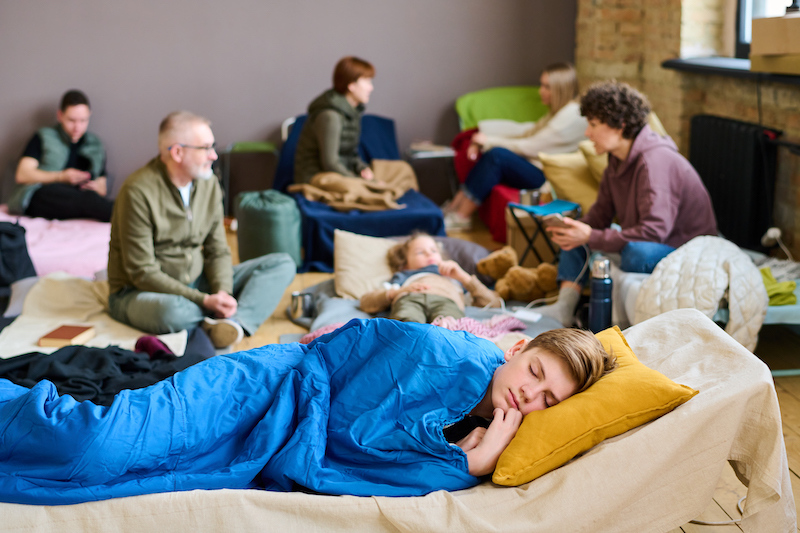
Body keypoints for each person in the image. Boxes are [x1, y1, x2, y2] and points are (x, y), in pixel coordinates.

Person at [0, 318, 617, 505]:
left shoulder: (488, 431)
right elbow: (354, 421)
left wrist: (476, 461)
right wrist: (465, 461)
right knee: (95, 443)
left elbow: (385, 473)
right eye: (535, 374)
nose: (529, 398)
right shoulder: (448, 353)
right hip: (268, 382)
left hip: (281, 430)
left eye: (547, 400)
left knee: (115, 469)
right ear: (519, 348)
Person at [106, 111, 296, 348]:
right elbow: (142, 273)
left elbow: (218, 249)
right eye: (205, 148)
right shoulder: (137, 191)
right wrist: (205, 300)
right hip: (141, 293)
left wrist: (223, 292)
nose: (214, 155)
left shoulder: (209, 184)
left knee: (282, 264)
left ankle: (235, 323)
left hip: (198, 283)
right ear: (177, 152)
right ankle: (213, 319)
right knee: (173, 313)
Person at [535, 81, 718, 326]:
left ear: (619, 126)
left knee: (634, 253)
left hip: (684, 249)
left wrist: (592, 236)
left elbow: (654, 232)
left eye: (593, 125)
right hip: (652, 240)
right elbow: (600, 215)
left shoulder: (654, 162)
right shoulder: (616, 160)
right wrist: (573, 229)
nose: (587, 133)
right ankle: (564, 307)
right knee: (577, 232)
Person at [444, 63, 588, 231]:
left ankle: (461, 216)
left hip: (549, 178)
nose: (541, 91)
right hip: (540, 168)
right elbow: (527, 132)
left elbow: (532, 146)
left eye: (547, 87)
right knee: (494, 154)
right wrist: (485, 137)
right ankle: (454, 208)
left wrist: (489, 142)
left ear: (561, 89)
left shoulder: (571, 115)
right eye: (542, 85)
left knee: (497, 156)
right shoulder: (557, 112)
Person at [9, 90, 114, 222]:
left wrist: (97, 186)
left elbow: (102, 188)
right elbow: (22, 174)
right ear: (60, 115)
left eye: (83, 121)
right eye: (71, 120)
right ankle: (129, 214)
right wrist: (61, 177)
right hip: (42, 195)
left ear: (89, 116)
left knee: (89, 199)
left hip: (78, 198)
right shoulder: (44, 136)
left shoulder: (95, 145)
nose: (77, 127)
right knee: (89, 201)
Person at [360, 232, 500, 322]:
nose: (429, 254)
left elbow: (494, 303)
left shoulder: (455, 279)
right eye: (420, 252)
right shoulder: (402, 277)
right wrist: (398, 292)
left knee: (450, 323)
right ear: (405, 264)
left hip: (447, 301)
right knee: (407, 322)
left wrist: (464, 277)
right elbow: (366, 302)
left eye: (433, 250)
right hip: (410, 298)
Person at [294, 56, 376, 184]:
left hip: (341, 173)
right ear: (351, 85)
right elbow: (330, 163)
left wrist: (362, 168)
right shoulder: (329, 117)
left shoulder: (353, 112)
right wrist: (360, 182)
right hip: (317, 177)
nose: (371, 88)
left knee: (401, 169)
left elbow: (350, 154)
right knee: (358, 188)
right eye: (366, 81)